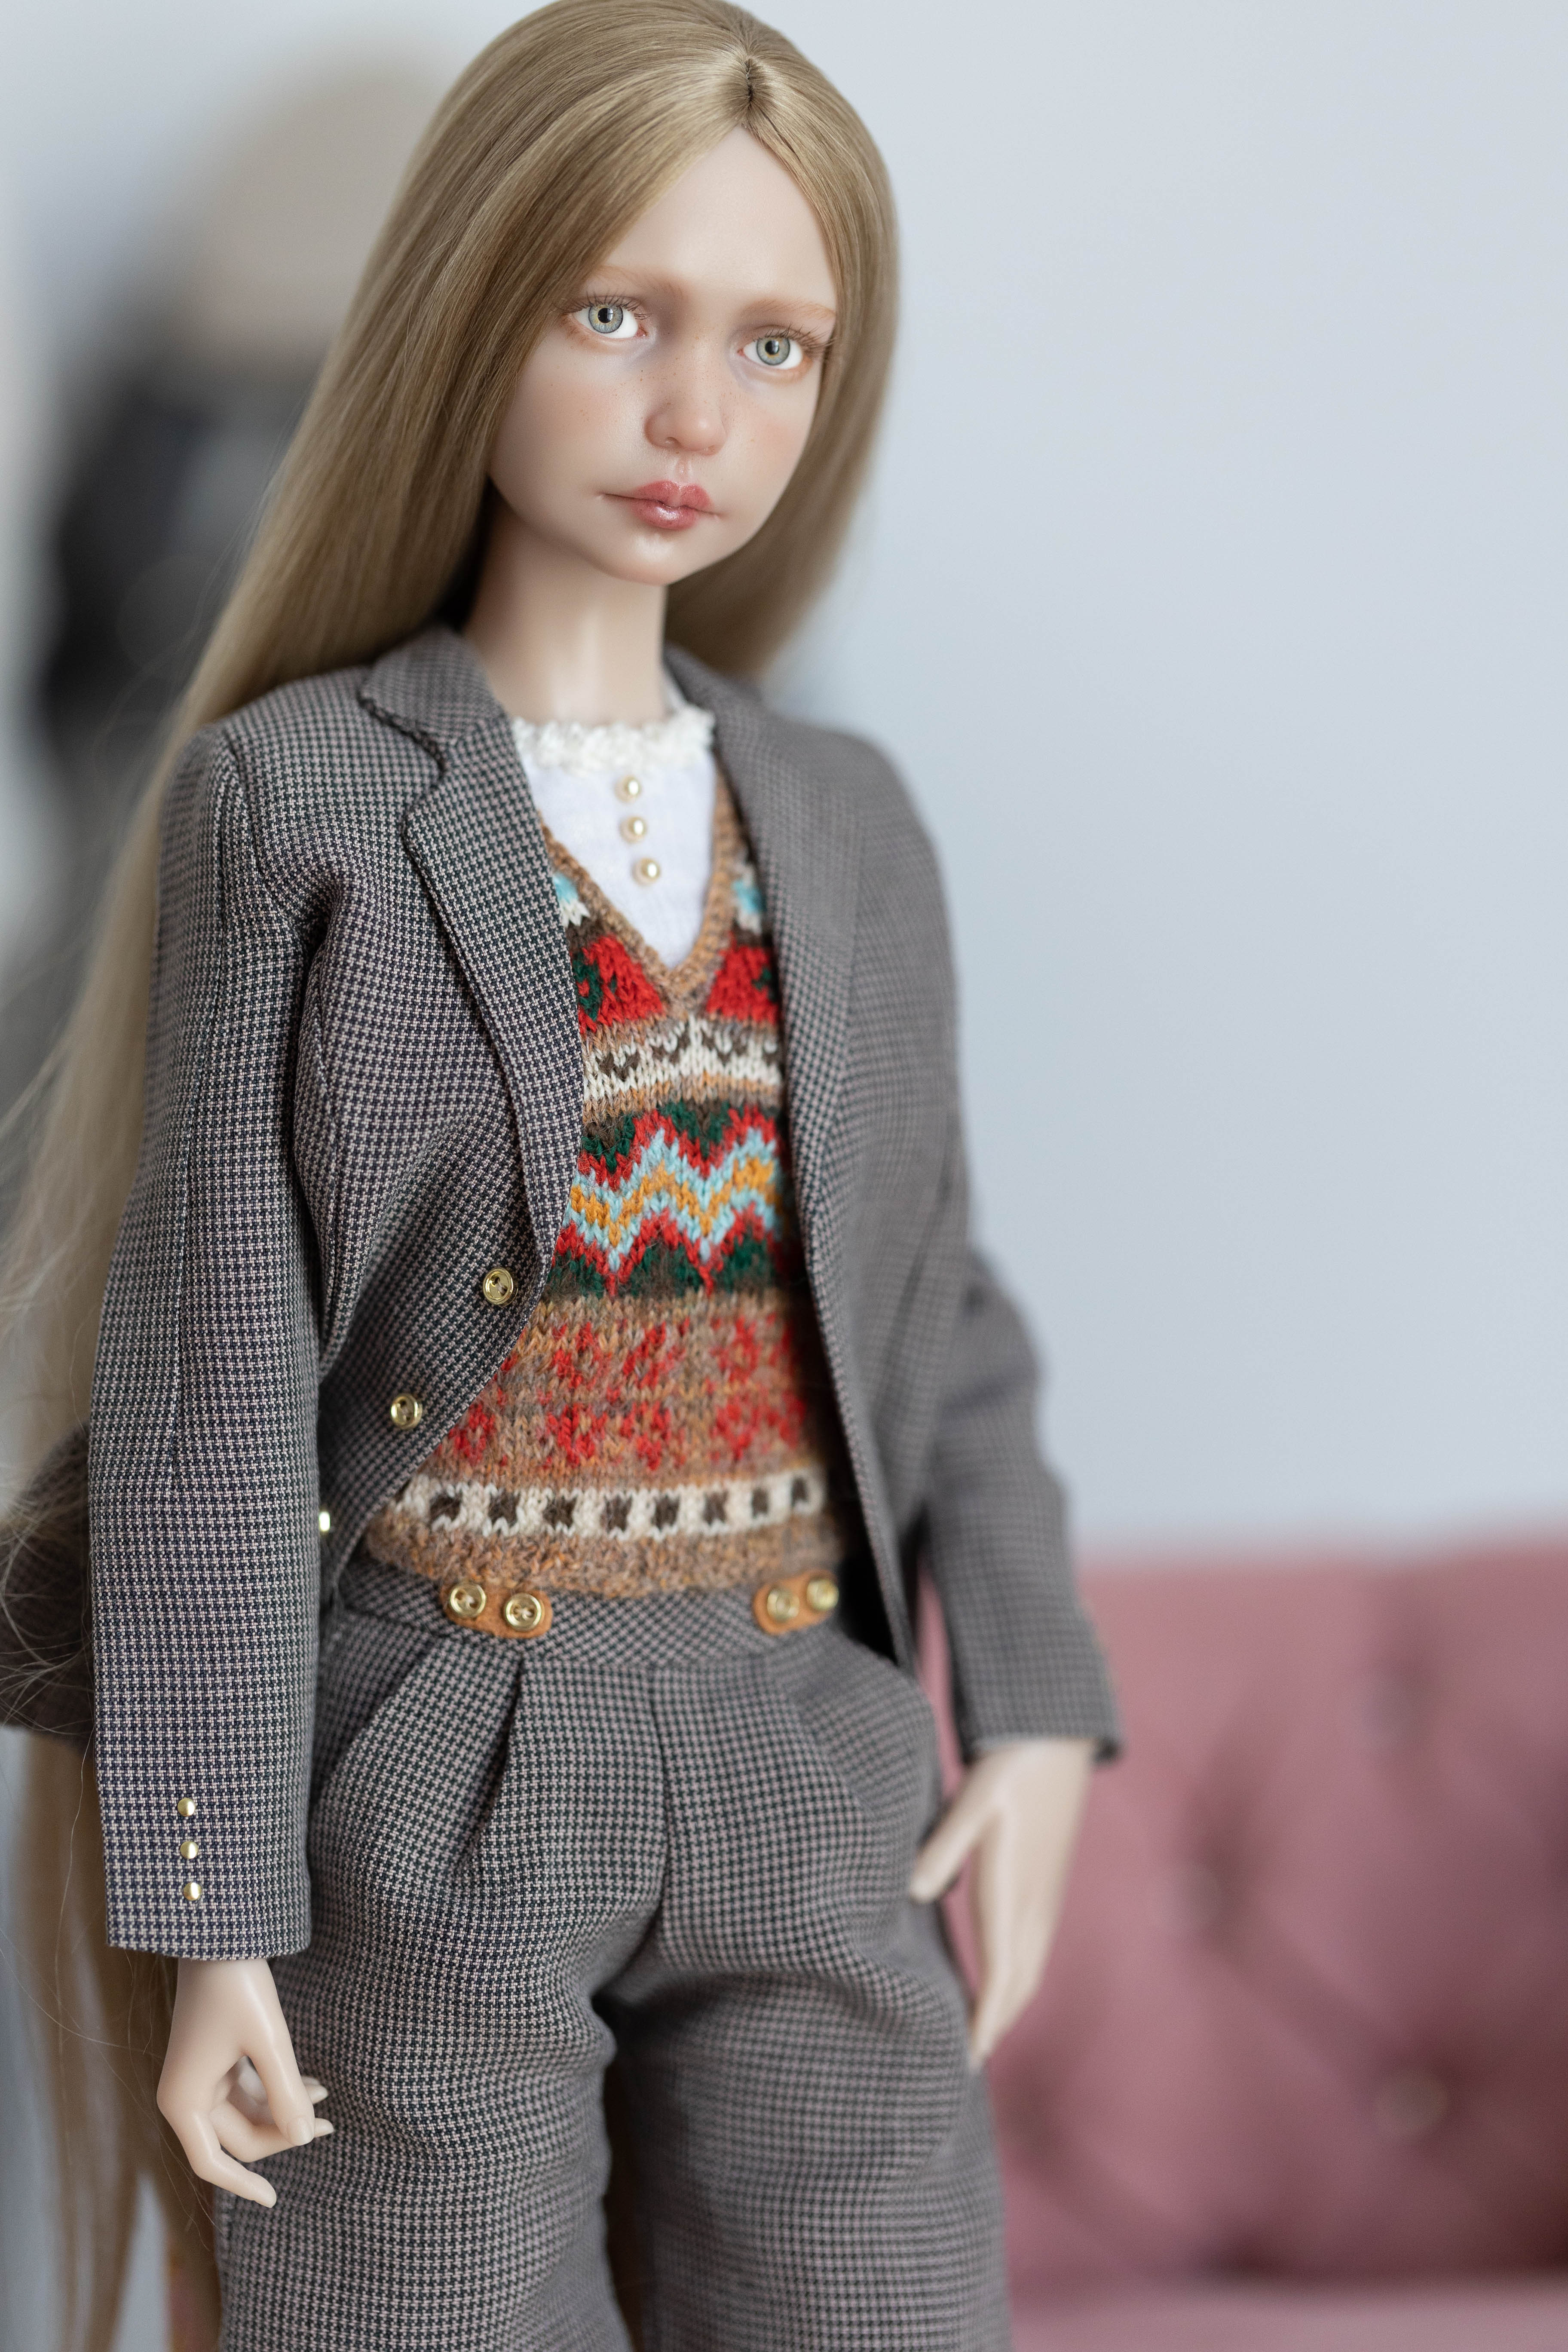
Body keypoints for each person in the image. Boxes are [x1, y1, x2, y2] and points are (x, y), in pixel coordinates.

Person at [3, 5, 1118, 2345]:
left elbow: (945, 1309)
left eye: (776, 344)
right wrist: (212, 1912)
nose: (696, 412)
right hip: (438, 1751)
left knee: (885, 2299)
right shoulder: (300, 801)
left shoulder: (845, 823)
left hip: (802, 1735)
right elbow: (213, 1379)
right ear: (469, 311)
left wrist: (1027, 1705)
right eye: (618, 315)